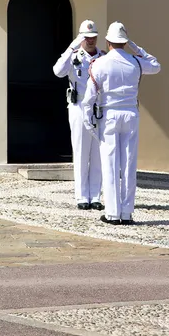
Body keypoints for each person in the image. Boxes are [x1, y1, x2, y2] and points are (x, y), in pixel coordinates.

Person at [82, 21, 161, 225]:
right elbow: (155, 65)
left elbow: (89, 98)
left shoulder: (99, 63)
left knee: (109, 163)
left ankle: (112, 213)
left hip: (109, 115)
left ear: (107, 41)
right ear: (125, 42)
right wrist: (135, 46)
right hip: (130, 114)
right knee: (128, 163)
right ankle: (126, 213)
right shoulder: (135, 61)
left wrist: (88, 121)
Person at [53, 20, 105, 210]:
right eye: (86, 37)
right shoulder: (74, 56)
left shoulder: (103, 57)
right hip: (78, 106)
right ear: (80, 38)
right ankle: (82, 196)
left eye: (93, 37)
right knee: (81, 152)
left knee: (98, 154)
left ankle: (96, 196)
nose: (90, 41)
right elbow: (58, 71)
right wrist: (70, 48)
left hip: (98, 108)